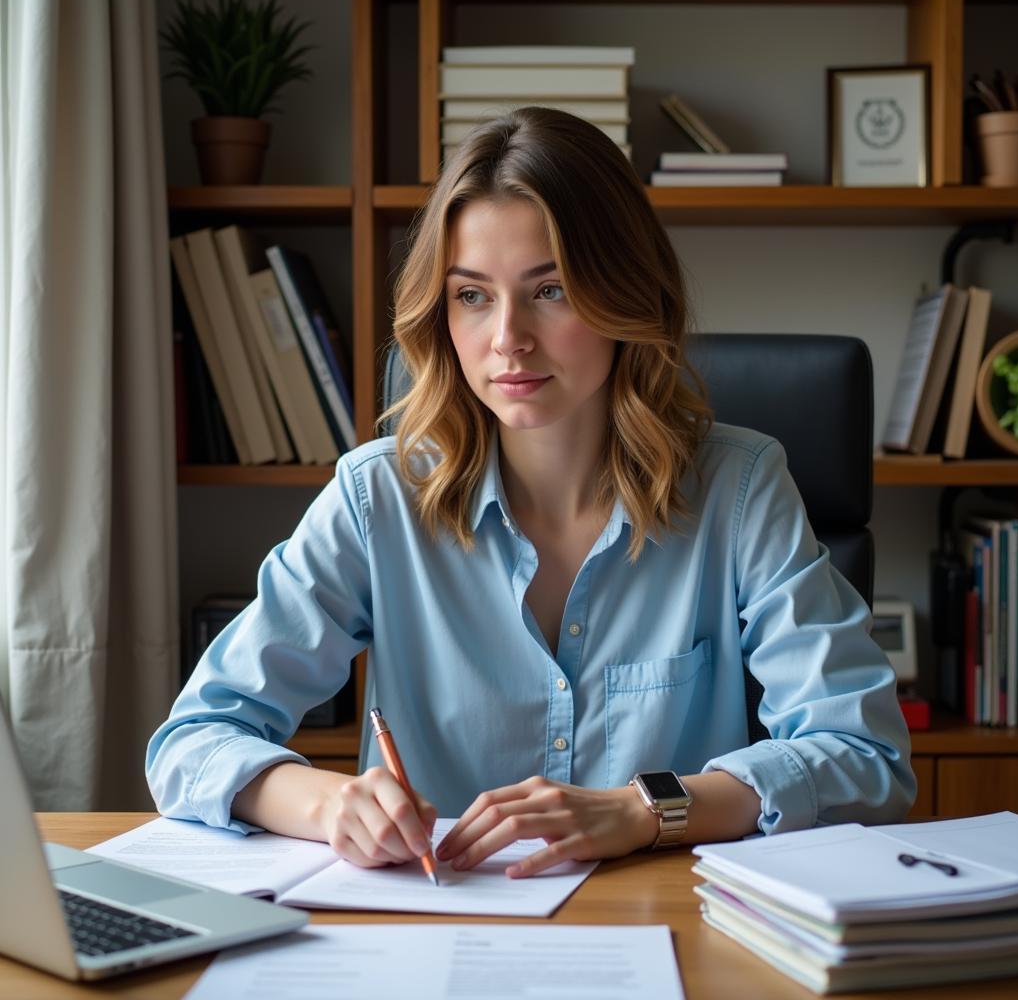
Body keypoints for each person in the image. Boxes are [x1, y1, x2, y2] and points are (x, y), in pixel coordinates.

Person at [147, 107, 914, 879]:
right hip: (434, 930)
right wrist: (330, 805)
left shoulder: (740, 491)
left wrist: (645, 808)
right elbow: (192, 741)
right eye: (473, 296)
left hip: (671, 930)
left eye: (551, 290)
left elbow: (865, 756)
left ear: (628, 295)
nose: (508, 337)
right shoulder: (376, 500)